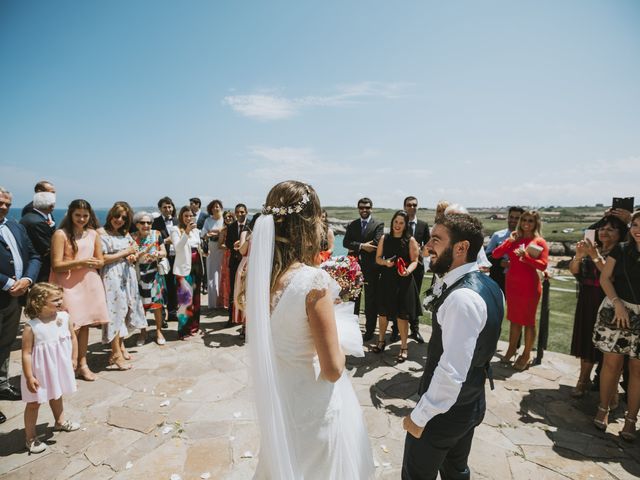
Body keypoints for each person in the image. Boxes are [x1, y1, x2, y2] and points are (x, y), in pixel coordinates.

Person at [246, 180, 374, 479]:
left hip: (280, 400)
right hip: (312, 408)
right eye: (318, 217)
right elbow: (332, 369)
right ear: (306, 223)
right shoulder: (312, 282)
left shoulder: (260, 279)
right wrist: (341, 333)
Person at [402, 213, 503, 480]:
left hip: (443, 414)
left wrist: (420, 416)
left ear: (461, 248)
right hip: (470, 403)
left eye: (436, 239)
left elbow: (451, 369)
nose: (427, 247)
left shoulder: (461, 298)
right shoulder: (490, 286)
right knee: (456, 471)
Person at [593, 211, 640, 441]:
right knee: (611, 363)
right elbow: (605, 278)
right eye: (635, 224)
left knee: (637, 370)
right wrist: (618, 304)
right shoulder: (621, 250)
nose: (638, 229)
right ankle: (603, 409)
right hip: (617, 311)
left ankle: (631, 420)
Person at [50, 199, 109, 381]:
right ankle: (67, 366)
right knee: (69, 328)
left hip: (89, 283)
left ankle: (83, 364)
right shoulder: (61, 234)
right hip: (67, 285)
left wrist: (93, 262)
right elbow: (56, 265)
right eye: (78, 215)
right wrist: (81, 262)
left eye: (85, 215)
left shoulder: (93, 234)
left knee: (84, 326)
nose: (81, 219)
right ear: (70, 214)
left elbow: (100, 260)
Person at [569, 216, 626, 398]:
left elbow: (611, 277)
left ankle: (607, 388)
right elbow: (574, 270)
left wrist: (594, 256)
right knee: (586, 338)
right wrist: (579, 256)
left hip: (607, 300)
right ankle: (583, 379)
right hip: (587, 297)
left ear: (620, 234)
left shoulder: (621, 252)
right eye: (602, 228)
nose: (604, 231)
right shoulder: (594, 247)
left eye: (610, 229)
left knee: (607, 345)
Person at [21, 283, 79, 453]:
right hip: (39, 371)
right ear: (39, 303)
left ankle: (59, 422)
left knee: (57, 393)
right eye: (56, 299)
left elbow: (73, 338)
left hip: (58, 367)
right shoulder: (32, 326)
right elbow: (26, 353)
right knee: (33, 403)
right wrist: (29, 376)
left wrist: (74, 357)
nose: (61, 301)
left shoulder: (64, 317)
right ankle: (30, 437)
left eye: (61, 297)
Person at [491, 210, 548, 371]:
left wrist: (526, 257)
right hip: (512, 285)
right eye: (524, 220)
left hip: (529, 286)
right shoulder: (515, 239)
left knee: (528, 321)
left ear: (536, 223)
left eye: (530, 221)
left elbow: (543, 265)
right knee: (514, 319)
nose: (526, 223)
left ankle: (526, 354)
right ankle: (510, 350)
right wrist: (509, 241)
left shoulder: (539, 242)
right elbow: (496, 254)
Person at [0, 187, 41, 405]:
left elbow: (34, 255)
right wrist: (7, 283)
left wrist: (27, 279)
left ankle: (2, 384)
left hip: (15, 298)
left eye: (7, 203)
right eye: (0, 202)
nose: (4, 207)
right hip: (5, 292)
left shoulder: (15, 226)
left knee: (5, 343)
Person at [99, 202, 147, 369]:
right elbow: (102, 259)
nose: (119, 220)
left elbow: (132, 251)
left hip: (128, 274)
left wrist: (132, 256)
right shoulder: (101, 233)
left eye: (124, 217)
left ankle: (121, 345)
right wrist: (125, 253)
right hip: (111, 275)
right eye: (117, 215)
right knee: (115, 312)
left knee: (126, 309)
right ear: (110, 215)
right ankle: (115, 353)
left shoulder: (125, 234)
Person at [373, 210, 420, 362]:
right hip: (387, 280)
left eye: (401, 223)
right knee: (383, 313)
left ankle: (404, 347)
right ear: (392, 222)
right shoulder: (384, 238)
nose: (398, 225)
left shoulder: (410, 240)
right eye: (396, 222)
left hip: (404, 281)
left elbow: (415, 261)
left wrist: (408, 271)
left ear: (406, 225)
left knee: (402, 315)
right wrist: (385, 263)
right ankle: (381, 341)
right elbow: (378, 259)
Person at [343, 197, 384, 341]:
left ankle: (370, 330)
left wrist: (357, 245)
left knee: (371, 301)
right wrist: (362, 246)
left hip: (372, 269)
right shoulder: (352, 224)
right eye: (361, 207)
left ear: (371, 208)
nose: (364, 210)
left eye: (367, 208)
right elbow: (345, 242)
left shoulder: (378, 224)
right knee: (354, 300)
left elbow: (378, 242)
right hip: (355, 268)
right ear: (358, 209)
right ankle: (352, 328)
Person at [391, 196, 430, 344]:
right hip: (399, 268)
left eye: (414, 205)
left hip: (417, 268)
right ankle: (395, 329)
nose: (412, 207)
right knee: (397, 297)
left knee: (413, 299)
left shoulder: (423, 225)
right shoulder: (400, 224)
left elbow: (428, 246)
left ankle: (415, 329)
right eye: (409, 205)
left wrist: (422, 250)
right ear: (404, 206)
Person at [132, 211, 168, 345]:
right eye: (142, 222)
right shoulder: (132, 237)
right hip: (138, 275)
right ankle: (143, 332)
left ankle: (159, 331)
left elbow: (164, 252)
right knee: (141, 305)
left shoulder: (157, 234)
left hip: (154, 275)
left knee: (157, 305)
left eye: (149, 222)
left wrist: (157, 254)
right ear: (137, 224)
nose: (146, 225)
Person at [170, 206, 203, 339]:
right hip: (184, 270)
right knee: (185, 301)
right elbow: (178, 247)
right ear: (181, 217)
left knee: (196, 299)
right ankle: (183, 330)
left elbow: (197, 245)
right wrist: (187, 232)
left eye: (190, 216)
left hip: (197, 267)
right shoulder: (175, 230)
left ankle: (194, 327)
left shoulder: (196, 231)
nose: (188, 218)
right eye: (186, 216)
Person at [151, 196, 178, 324]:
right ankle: (161, 317)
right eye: (164, 207)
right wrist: (166, 241)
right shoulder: (154, 222)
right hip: (162, 258)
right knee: (162, 287)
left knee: (173, 286)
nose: (167, 209)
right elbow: (152, 240)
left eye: (169, 206)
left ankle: (172, 313)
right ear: (160, 209)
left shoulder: (178, 221)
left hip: (176, 257)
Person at [485, 207, 524, 293]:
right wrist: (500, 262)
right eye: (511, 217)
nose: (513, 220)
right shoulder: (497, 235)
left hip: (519, 278)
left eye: (517, 218)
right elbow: (487, 256)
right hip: (498, 278)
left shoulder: (526, 238)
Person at [20, 191, 56, 283]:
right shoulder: (39, 222)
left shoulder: (27, 217)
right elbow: (47, 247)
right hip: (41, 268)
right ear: (51, 206)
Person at [225, 203, 248, 326]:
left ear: (246, 212)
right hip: (234, 262)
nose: (240, 214)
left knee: (246, 291)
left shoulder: (251, 226)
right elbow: (227, 242)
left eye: (242, 212)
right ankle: (231, 318)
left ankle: (245, 319)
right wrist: (233, 246)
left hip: (247, 264)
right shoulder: (231, 226)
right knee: (233, 290)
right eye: (237, 212)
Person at [201, 199, 225, 309]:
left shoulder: (225, 219)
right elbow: (203, 234)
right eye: (214, 207)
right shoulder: (208, 220)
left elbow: (227, 231)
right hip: (211, 248)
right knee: (211, 274)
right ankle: (212, 303)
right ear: (211, 209)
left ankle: (221, 302)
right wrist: (211, 233)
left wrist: (216, 232)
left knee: (222, 274)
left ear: (221, 208)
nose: (216, 208)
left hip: (223, 249)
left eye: (218, 206)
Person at [218, 210, 235, 310]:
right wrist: (229, 246)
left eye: (230, 217)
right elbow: (219, 245)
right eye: (226, 217)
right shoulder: (223, 230)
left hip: (236, 254)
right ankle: (227, 302)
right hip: (227, 255)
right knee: (226, 277)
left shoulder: (237, 228)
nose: (228, 219)